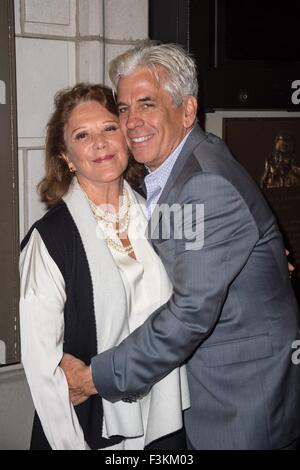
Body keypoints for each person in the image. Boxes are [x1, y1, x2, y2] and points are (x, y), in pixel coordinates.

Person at [60, 42, 300, 450]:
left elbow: (189, 315)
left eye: (147, 104)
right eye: (123, 108)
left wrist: (93, 378)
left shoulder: (203, 184)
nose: (131, 122)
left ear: (187, 111)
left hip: (238, 400)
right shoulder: (168, 174)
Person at [19, 83, 190, 450]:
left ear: (127, 138)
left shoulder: (160, 213)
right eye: (82, 135)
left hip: (162, 416)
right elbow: (44, 369)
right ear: (65, 157)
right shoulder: (49, 240)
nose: (99, 142)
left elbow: (203, 281)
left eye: (109, 128)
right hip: (90, 426)